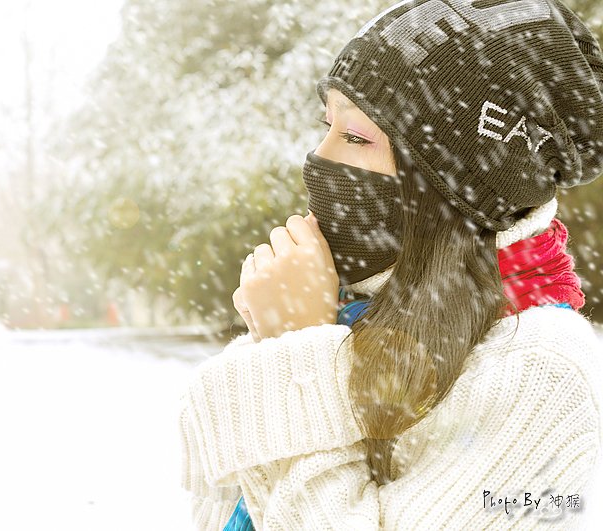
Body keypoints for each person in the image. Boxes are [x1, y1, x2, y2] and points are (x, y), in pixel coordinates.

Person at [178, 0, 603, 529]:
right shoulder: (355, 315)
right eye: (326, 125)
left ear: (454, 183)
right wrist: (285, 339)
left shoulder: (542, 370)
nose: (318, 156)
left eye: (355, 137)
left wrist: (291, 353)